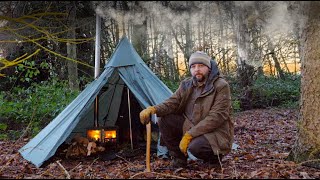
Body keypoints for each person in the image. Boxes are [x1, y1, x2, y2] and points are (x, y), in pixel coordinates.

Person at [140, 51, 234, 168]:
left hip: (215, 131)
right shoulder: (187, 84)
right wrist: (153, 109)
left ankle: (214, 159)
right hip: (191, 125)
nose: (197, 69)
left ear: (209, 68)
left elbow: (217, 117)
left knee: (196, 147)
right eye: (193, 66)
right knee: (164, 120)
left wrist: (189, 135)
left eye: (201, 66)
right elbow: (172, 102)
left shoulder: (221, 86)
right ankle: (179, 159)